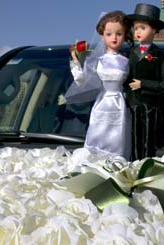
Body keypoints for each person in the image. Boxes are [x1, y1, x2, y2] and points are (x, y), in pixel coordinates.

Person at [68, 11, 132, 159]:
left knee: (119, 137)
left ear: (125, 35)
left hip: (121, 104)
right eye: (109, 34)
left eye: (119, 34)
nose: (114, 38)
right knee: (98, 135)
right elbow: (82, 80)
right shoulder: (97, 60)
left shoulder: (127, 61)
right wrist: (76, 63)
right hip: (103, 102)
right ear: (102, 36)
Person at [125, 3, 164, 160]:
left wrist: (143, 84)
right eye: (135, 28)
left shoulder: (159, 55)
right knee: (132, 142)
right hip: (131, 108)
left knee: (147, 143)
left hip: (150, 110)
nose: (138, 32)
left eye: (142, 28)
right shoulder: (129, 53)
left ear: (154, 30)